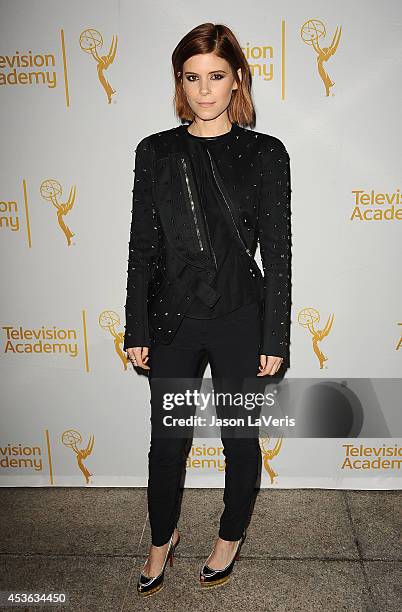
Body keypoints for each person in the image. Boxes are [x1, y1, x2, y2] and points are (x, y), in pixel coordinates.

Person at [123, 22, 292, 597]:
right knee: (167, 441)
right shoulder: (156, 152)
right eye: (192, 78)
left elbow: (279, 252)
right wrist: (136, 324)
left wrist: (276, 335)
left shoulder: (266, 154)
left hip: (242, 319)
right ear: (180, 81)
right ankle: (160, 538)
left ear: (237, 78)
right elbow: (142, 246)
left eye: (216, 76)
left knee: (239, 438)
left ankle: (228, 537)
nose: (203, 90)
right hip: (171, 320)